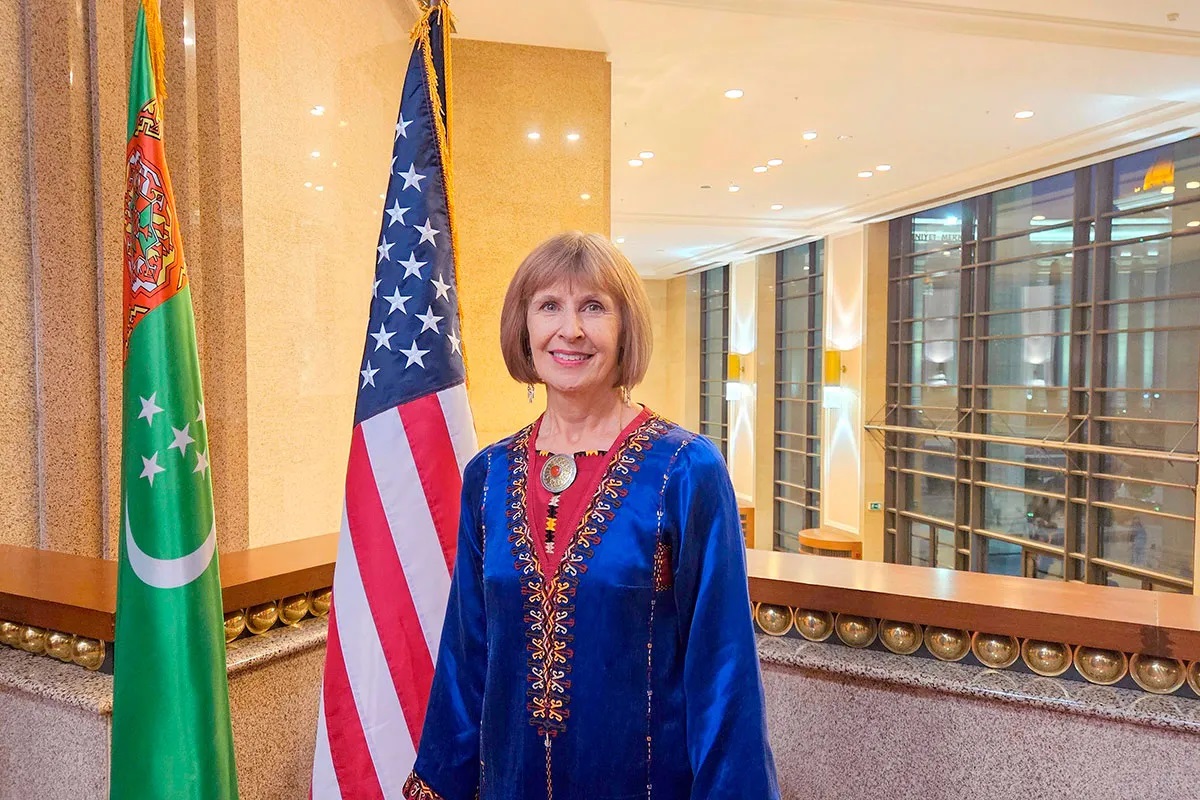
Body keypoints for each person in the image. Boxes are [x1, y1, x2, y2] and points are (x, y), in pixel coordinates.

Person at [404, 232, 779, 800]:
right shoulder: (488, 475)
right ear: (524, 327)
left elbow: (723, 669)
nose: (571, 329)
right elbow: (465, 655)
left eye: (594, 307)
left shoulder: (684, 471)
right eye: (549, 306)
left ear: (625, 328)